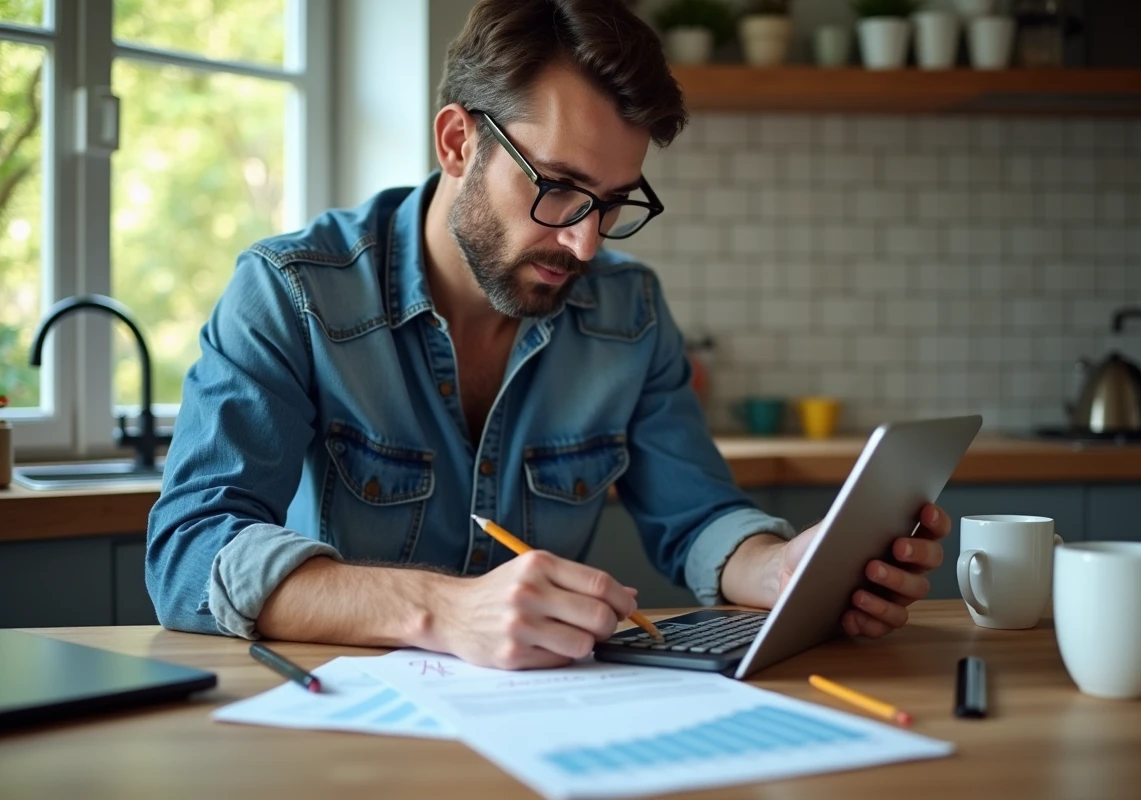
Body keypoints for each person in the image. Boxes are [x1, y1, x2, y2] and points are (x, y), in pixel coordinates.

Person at [146, 0, 949, 670]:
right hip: (347, 742)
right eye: (560, 190)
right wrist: (442, 609)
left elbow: (696, 517)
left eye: (612, 201)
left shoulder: (627, 311)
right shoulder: (292, 292)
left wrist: (781, 570)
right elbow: (188, 551)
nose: (587, 243)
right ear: (459, 141)